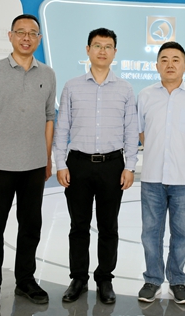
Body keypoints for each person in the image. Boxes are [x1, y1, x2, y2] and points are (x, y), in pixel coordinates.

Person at [0, 13, 56, 312]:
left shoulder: (48, 74)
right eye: (20, 32)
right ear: (10, 36)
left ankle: (25, 280)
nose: (26, 38)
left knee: (31, 227)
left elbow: (49, 118)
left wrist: (47, 157)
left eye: (32, 33)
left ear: (39, 39)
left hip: (34, 165)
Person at [52, 27, 138, 305]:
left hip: (113, 165)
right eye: (97, 46)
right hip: (78, 163)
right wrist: (60, 163)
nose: (103, 51)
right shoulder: (72, 86)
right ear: (87, 50)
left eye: (108, 46)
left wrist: (130, 166)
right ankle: (78, 278)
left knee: (108, 226)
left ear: (115, 52)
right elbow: (62, 127)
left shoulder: (125, 89)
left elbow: (131, 131)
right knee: (79, 225)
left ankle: (104, 278)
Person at [136, 42, 185, 305]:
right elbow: (141, 132)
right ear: (156, 65)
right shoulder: (145, 96)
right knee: (151, 234)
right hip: (152, 177)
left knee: (182, 235)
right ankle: (152, 280)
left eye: (176, 59)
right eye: (164, 59)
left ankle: (178, 280)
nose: (170, 64)